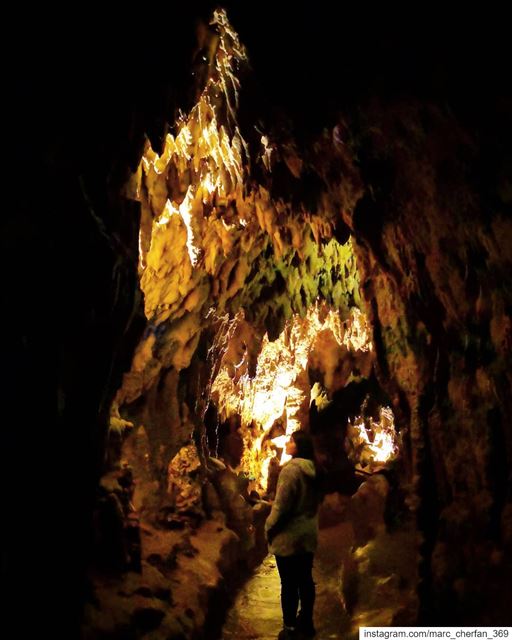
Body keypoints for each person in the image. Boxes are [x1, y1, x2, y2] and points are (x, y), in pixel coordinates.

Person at [265, 430, 322, 639]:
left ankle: (289, 628)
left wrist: (269, 527)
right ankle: (306, 621)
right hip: (308, 533)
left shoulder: (290, 471)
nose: (287, 443)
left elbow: (281, 507)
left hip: (289, 536)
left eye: (290, 441)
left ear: (298, 447)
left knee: (288, 583)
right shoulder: (315, 469)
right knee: (305, 579)